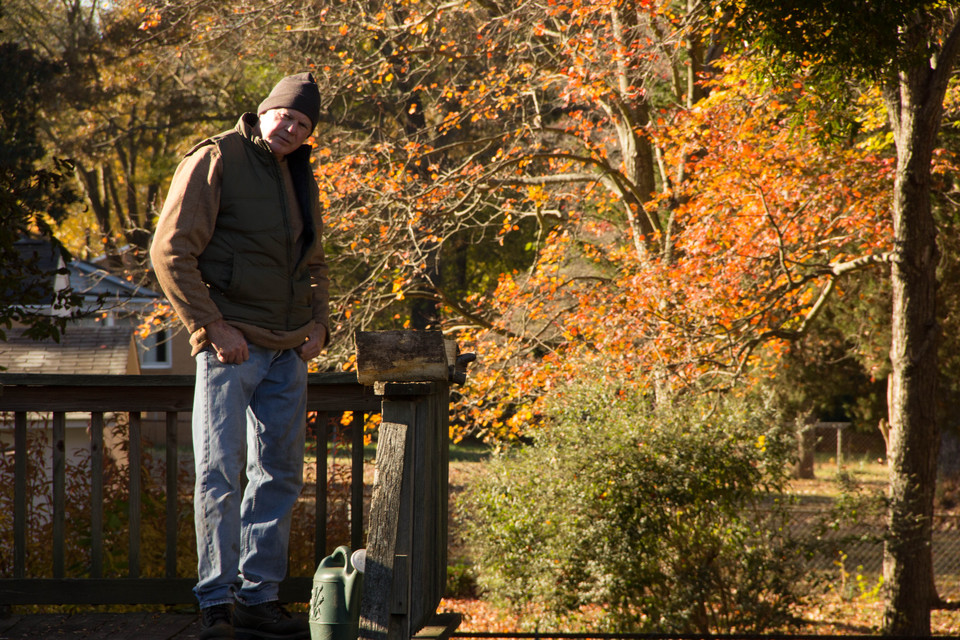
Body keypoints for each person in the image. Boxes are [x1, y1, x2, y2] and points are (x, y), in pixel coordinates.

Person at [150, 72, 330, 640]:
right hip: (232, 349)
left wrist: (320, 325)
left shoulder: (299, 171)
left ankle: (258, 597)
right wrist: (212, 326)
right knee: (220, 476)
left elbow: (317, 263)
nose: (292, 128)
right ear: (264, 110)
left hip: (287, 351)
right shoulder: (216, 156)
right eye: (285, 116)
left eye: (303, 124)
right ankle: (215, 603)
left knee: (278, 476)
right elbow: (170, 251)